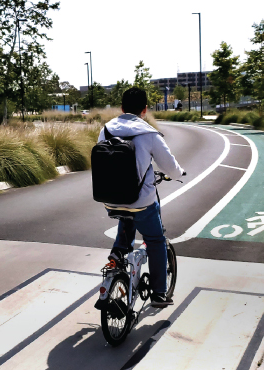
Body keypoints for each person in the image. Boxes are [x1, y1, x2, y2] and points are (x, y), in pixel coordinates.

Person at [97, 87, 185, 308]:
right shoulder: (148, 134)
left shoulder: (106, 130)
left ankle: (118, 254)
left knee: (125, 215)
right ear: (144, 109)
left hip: (109, 199)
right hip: (141, 202)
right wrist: (178, 174)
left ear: (122, 108)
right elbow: (171, 167)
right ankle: (158, 293)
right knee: (155, 240)